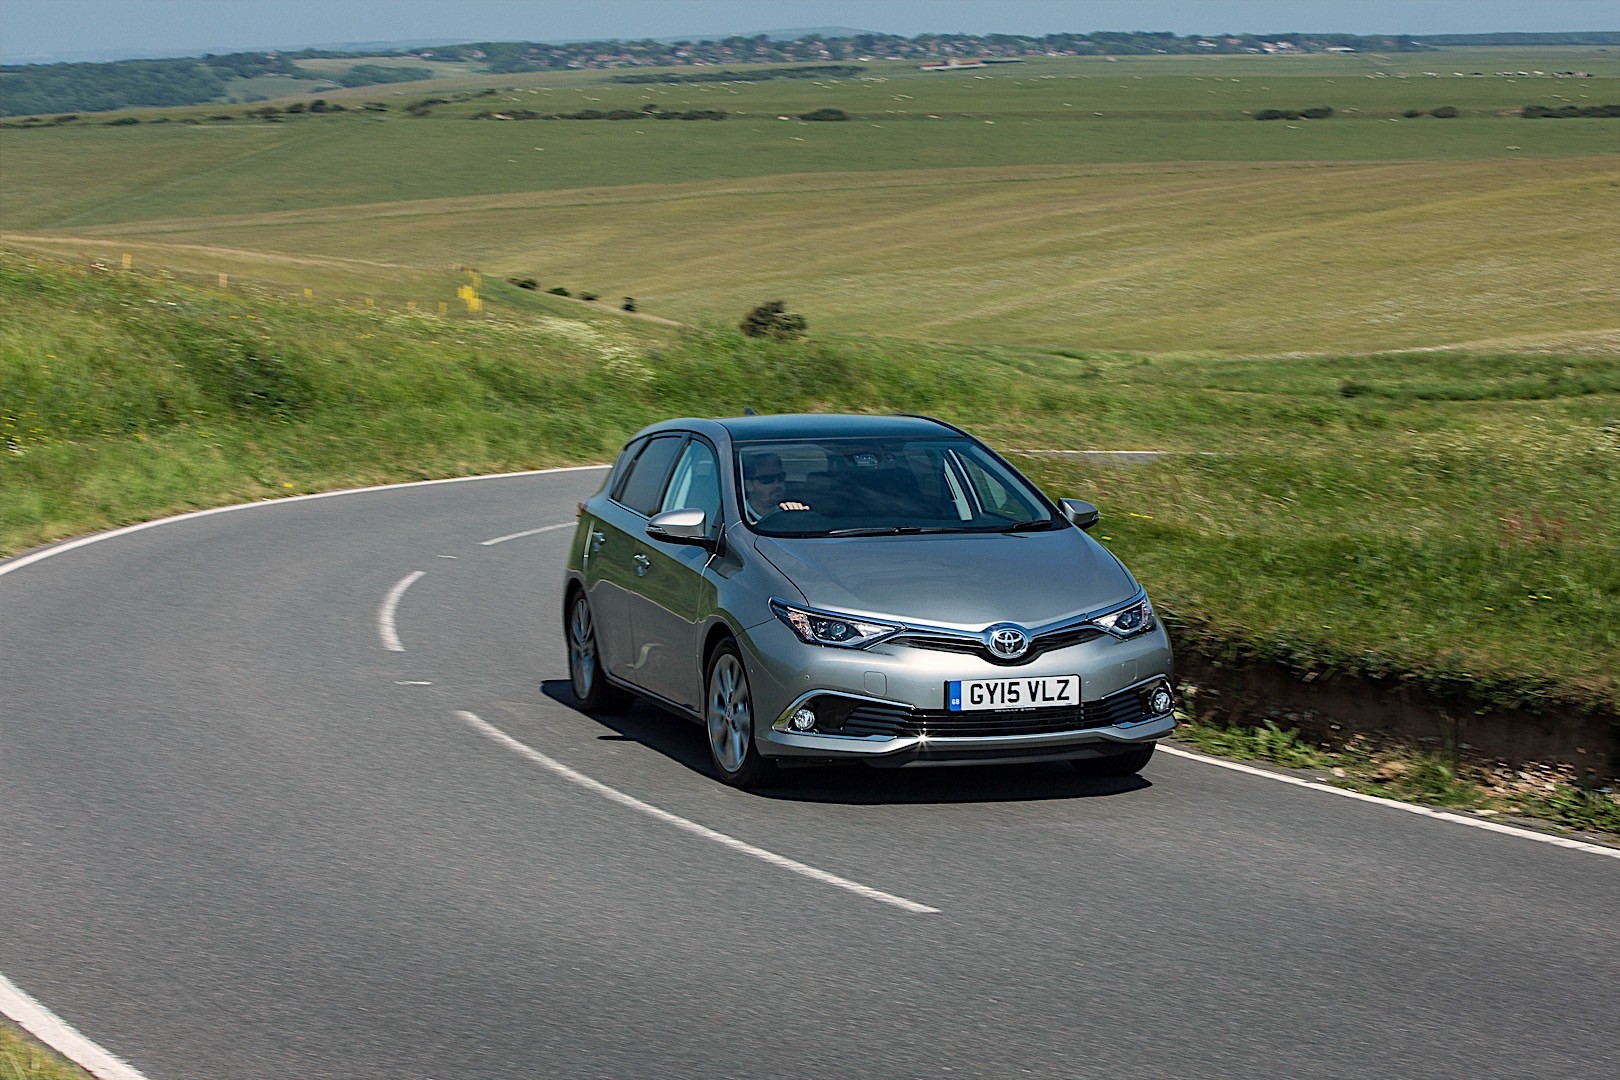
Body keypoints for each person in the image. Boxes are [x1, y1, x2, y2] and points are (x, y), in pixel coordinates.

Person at [742, 452, 810, 518]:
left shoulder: (789, 513)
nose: (777, 484)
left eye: (781, 477)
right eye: (768, 479)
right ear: (749, 485)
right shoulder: (735, 518)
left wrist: (797, 516)